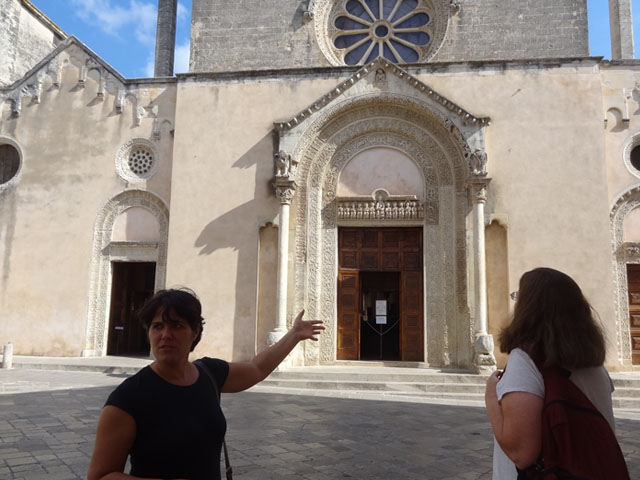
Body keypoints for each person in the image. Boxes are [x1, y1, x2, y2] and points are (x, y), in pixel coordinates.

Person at [87, 288, 324, 480]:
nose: (165, 334)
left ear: (195, 332)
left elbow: (256, 369)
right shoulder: (127, 398)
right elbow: (100, 476)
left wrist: (293, 336)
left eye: (176, 325)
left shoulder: (210, 373)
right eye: (157, 326)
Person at [485, 267, 615, 480]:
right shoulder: (596, 367)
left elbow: (521, 453)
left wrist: (491, 396)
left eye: (518, 297)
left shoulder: (525, 362)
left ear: (529, 308)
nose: (515, 303)